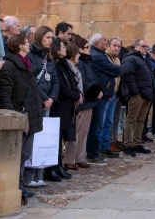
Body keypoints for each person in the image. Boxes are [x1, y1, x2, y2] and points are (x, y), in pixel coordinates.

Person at [0, 33, 43, 200]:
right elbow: (3, 92)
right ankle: (14, 186)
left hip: (30, 115)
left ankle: (19, 184)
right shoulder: (8, 66)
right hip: (18, 116)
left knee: (25, 153)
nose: (29, 45)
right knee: (17, 153)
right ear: (20, 46)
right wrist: (11, 116)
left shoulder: (27, 64)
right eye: (27, 42)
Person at [24, 25, 59, 186]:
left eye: (51, 38)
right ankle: (29, 175)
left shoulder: (49, 56)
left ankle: (39, 173)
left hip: (47, 103)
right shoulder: (31, 55)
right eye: (47, 37)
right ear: (40, 37)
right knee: (34, 139)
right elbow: (32, 80)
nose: (50, 41)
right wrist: (45, 98)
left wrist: (52, 97)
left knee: (44, 138)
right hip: (36, 102)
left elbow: (55, 79)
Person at [65, 38, 102, 169]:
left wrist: (99, 90)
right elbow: (84, 83)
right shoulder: (79, 64)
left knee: (84, 132)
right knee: (76, 132)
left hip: (90, 101)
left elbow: (94, 79)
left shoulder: (87, 63)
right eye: (87, 47)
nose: (89, 50)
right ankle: (70, 159)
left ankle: (80, 157)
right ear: (80, 49)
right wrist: (96, 92)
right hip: (82, 101)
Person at [46, 37, 79, 181]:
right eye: (62, 46)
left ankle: (58, 165)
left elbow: (71, 82)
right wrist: (75, 95)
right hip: (59, 104)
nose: (65, 48)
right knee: (55, 138)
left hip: (66, 105)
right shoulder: (56, 65)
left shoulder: (64, 64)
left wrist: (78, 94)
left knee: (60, 138)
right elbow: (61, 86)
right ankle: (51, 167)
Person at [86, 33, 121, 162]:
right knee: (97, 125)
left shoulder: (100, 54)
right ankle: (93, 152)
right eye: (104, 40)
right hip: (102, 93)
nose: (106, 42)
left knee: (105, 123)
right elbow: (115, 70)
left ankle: (100, 149)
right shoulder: (98, 56)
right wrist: (116, 68)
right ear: (97, 43)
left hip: (107, 93)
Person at [120, 39, 155, 157]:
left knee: (141, 119)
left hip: (146, 94)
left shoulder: (145, 59)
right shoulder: (130, 58)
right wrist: (135, 91)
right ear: (136, 46)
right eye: (143, 46)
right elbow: (127, 75)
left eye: (147, 46)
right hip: (138, 94)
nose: (146, 48)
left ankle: (136, 142)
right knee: (131, 119)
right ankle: (128, 144)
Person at [107, 37, 124, 153]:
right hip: (108, 93)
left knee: (114, 119)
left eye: (118, 46)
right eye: (114, 45)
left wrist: (119, 92)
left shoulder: (117, 59)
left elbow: (119, 77)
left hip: (115, 93)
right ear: (109, 45)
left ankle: (113, 140)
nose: (116, 48)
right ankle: (107, 142)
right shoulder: (106, 57)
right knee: (107, 120)